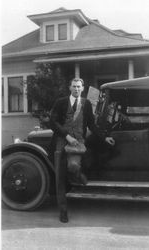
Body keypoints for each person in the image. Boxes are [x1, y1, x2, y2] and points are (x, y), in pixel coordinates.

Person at [50, 78, 115, 223]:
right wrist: (67, 136)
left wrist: (104, 138)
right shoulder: (60, 102)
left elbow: (92, 125)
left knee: (73, 166)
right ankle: (63, 212)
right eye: (74, 86)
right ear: (69, 87)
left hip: (78, 142)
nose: (76, 89)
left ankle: (78, 175)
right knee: (59, 178)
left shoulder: (86, 104)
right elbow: (52, 122)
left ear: (83, 88)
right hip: (62, 140)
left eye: (79, 87)